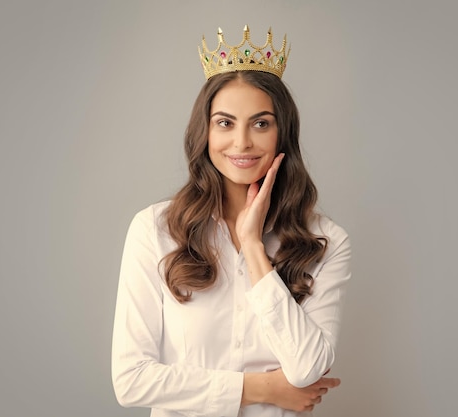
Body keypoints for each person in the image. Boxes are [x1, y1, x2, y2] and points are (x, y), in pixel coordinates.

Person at [111, 25, 352, 416]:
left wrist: (255, 248)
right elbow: (131, 379)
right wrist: (264, 388)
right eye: (225, 123)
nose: (241, 142)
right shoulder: (155, 230)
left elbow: (308, 370)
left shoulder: (326, 240)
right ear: (204, 132)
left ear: (282, 133)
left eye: (261, 123)